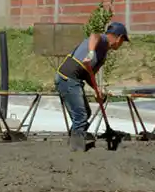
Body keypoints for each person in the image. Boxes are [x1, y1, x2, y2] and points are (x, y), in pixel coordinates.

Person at [55, 22, 129, 152]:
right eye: (123, 41)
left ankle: (73, 141)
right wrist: (90, 53)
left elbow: (89, 76)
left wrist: (97, 90)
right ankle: (76, 149)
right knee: (81, 116)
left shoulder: (103, 55)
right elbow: (94, 36)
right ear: (119, 38)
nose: (121, 44)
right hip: (67, 77)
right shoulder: (103, 40)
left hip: (76, 80)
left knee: (85, 113)